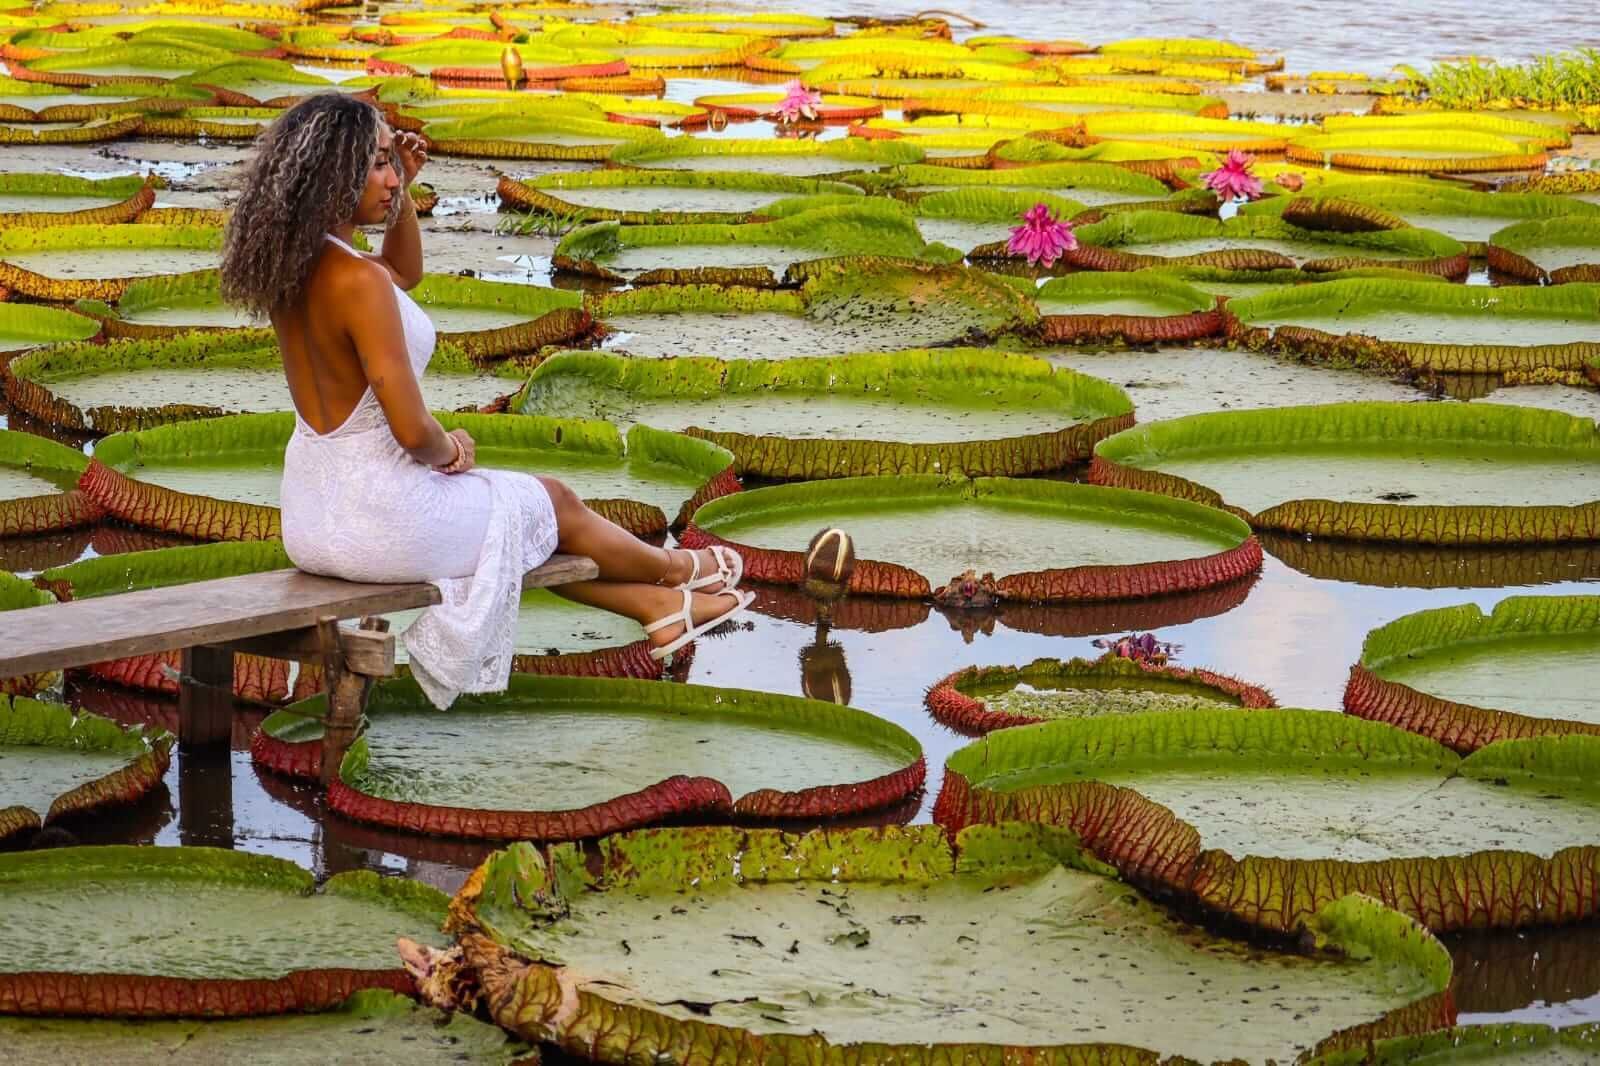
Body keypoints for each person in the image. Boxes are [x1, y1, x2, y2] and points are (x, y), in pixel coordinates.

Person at [218, 94, 750, 707]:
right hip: (378, 521)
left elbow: (405, 274)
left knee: (517, 523)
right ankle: (683, 570)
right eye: (380, 165)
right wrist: (452, 448)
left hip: (312, 517)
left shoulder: (298, 265)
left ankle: (657, 607)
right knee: (549, 500)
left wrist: (404, 200)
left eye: (393, 163)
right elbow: (413, 431)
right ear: (334, 175)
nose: (393, 178)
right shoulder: (357, 282)